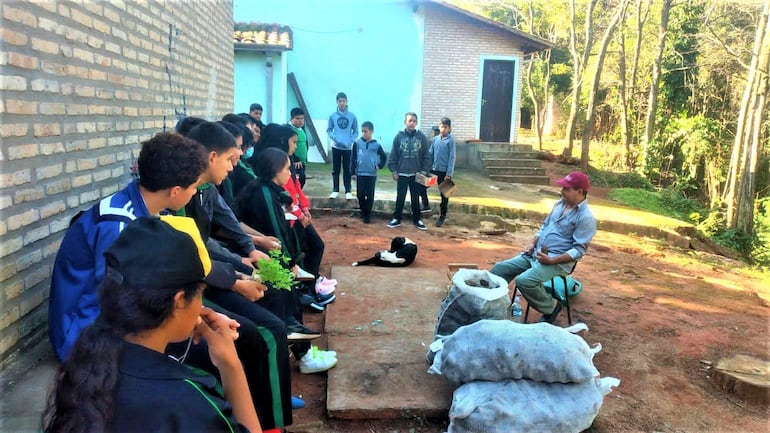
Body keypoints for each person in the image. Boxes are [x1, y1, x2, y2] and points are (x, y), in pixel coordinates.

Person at [43, 216, 262, 433]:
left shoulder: (85, 370)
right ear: (178, 301)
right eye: (200, 295)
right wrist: (230, 365)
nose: (201, 307)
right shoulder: (189, 402)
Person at [48, 132, 209, 361]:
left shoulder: (139, 206)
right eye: (193, 188)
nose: (194, 194)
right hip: (82, 340)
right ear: (174, 191)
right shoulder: (119, 227)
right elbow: (114, 302)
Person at [236, 148, 339, 375]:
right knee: (287, 305)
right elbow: (275, 233)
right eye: (286, 169)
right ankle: (304, 357)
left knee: (291, 303)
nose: (289, 173)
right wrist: (291, 264)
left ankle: (305, 353)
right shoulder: (262, 193)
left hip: (274, 258)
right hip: (269, 260)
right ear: (274, 170)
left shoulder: (270, 190)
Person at [490, 171, 597, 324]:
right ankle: (492, 303)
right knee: (499, 269)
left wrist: (553, 260)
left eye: (566, 189)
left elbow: (578, 250)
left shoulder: (586, 218)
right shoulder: (560, 204)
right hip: (537, 253)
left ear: (579, 191)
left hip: (558, 262)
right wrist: (532, 243)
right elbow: (545, 227)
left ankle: (552, 307)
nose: (562, 191)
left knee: (524, 281)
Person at [386, 112, 431, 231]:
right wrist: (394, 171)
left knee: (415, 198)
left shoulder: (421, 137)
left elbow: (426, 156)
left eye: (414, 121)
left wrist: (423, 171)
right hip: (402, 174)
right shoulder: (399, 137)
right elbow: (393, 155)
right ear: (405, 122)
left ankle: (417, 219)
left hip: (416, 174)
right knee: (400, 197)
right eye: (410, 120)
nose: (412, 123)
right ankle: (396, 219)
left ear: (416, 123)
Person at [351, 121, 387, 224]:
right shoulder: (357, 144)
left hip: (371, 174)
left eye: (365, 131)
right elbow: (353, 158)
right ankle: (363, 210)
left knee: (370, 195)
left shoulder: (376, 145)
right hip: (360, 173)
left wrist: (379, 165)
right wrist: (353, 172)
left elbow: (383, 157)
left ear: (371, 131)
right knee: (360, 194)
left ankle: (367, 214)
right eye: (362, 131)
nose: (363, 133)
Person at [326, 92, 358, 199]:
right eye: (340, 101)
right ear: (337, 102)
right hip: (336, 147)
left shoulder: (352, 116)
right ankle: (335, 190)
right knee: (336, 169)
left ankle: (348, 190)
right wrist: (335, 138)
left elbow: (356, 131)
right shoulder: (332, 116)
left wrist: (351, 140)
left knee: (347, 169)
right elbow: (329, 130)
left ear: (347, 102)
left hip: (348, 147)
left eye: (344, 101)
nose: (342, 103)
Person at [429, 117, 456, 227]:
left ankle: (442, 215)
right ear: (439, 127)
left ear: (449, 128)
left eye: (445, 127)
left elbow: (452, 157)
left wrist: (449, 174)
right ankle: (425, 206)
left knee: (445, 194)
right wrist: (427, 167)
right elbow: (431, 153)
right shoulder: (435, 139)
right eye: (441, 127)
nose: (443, 129)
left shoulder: (451, 141)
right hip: (434, 170)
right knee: (422, 186)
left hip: (445, 173)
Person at [288, 107, 308, 187]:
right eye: (298, 118)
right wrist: (295, 159)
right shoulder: (289, 130)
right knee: (299, 180)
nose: (300, 121)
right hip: (295, 162)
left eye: (302, 118)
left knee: (302, 180)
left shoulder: (302, 129)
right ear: (292, 119)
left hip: (302, 162)